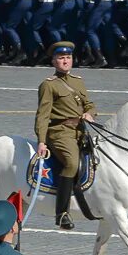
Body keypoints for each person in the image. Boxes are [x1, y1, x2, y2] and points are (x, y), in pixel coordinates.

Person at [34, 41, 97, 230]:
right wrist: (42, 141)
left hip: (80, 131)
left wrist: (90, 114)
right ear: (53, 61)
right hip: (59, 133)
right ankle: (62, 213)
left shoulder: (78, 81)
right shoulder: (48, 85)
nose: (65, 61)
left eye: (68, 58)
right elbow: (43, 115)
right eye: (61, 58)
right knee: (71, 163)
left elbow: (89, 104)